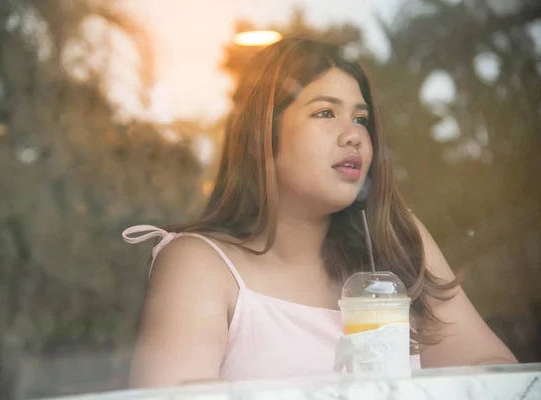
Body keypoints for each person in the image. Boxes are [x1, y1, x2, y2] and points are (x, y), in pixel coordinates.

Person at [123, 37, 516, 388]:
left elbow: (494, 371)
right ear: (263, 136)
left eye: (361, 119)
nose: (354, 135)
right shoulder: (200, 265)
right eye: (325, 113)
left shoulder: (395, 239)